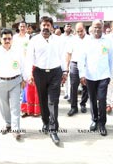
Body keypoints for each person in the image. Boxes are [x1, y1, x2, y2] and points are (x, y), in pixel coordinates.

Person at [26, 16, 68, 145]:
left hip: (55, 73)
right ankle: (45, 122)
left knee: (53, 101)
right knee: (43, 100)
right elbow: (29, 57)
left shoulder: (59, 40)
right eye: (43, 25)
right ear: (40, 26)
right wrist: (29, 74)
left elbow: (63, 56)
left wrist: (65, 71)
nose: (46, 27)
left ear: (51, 26)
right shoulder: (34, 40)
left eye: (48, 25)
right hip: (39, 73)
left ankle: (53, 129)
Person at [78, 19, 113, 136]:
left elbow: (110, 59)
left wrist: (111, 76)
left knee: (102, 99)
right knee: (92, 99)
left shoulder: (107, 41)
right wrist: (81, 74)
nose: (97, 29)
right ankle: (94, 120)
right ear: (91, 28)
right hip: (90, 76)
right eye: (95, 27)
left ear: (103, 27)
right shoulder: (86, 42)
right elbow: (81, 59)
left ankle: (102, 123)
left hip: (104, 75)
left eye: (99, 27)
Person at [0, 28, 26, 140]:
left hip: (15, 81)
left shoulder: (18, 51)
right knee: (3, 106)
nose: (7, 40)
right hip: (0, 82)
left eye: (9, 38)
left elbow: (23, 66)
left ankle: (15, 129)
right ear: (0, 39)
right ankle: (8, 124)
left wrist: (24, 79)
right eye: (4, 38)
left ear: (12, 39)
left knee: (15, 106)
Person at [66, 22, 89, 116]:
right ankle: (73, 107)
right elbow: (68, 53)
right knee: (73, 86)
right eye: (78, 31)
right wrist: (67, 67)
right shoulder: (73, 40)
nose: (80, 33)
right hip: (74, 64)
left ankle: (83, 104)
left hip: (86, 65)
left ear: (85, 29)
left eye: (81, 31)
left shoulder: (90, 39)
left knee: (86, 86)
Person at [61, 23, 74, 101]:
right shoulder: (60, 38)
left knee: (70, 78)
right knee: (64, 77)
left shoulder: (73, 37)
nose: (69, 27)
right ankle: (66, 93)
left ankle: (70, 95)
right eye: (67, 26)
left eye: (70, 26)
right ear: (64, 28)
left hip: (71, 59)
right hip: (62, 59)